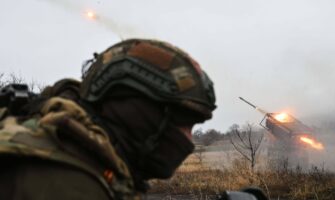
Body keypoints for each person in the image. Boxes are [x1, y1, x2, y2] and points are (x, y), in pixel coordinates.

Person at [0, 38, 216, 199]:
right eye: (182, 123)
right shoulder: (65, 182)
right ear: (138, 114)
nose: (188, 139)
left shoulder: (83, 157)